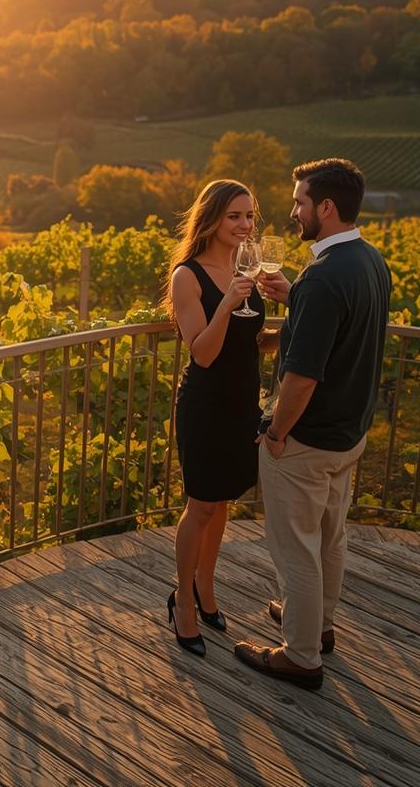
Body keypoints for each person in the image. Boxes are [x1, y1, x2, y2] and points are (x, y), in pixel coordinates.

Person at [235, 158, 391, 690]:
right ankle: (318, 626)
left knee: (295, 549)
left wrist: (277, 433)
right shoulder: (369, 261)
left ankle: (300, 657)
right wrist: (295, 295)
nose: (293, 211)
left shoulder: (323, 278)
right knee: (329, 537)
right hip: (350, 432)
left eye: (300, 202)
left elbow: (302, 378)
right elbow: (345, 329)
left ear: (326, 207)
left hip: (307, 439)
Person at [164, 179, 275, 657]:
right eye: (234, 216)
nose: (245, 224)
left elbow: (250, 342)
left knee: (223, 502)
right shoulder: (187, 277)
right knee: (201, 505)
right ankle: (183, 600)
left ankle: (206, 588)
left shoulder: (246, 268)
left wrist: (292, 329)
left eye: (249, 216)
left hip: (241, 405)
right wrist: (228, 302)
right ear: (210, 218)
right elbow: (204, 353)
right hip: (206, 406)